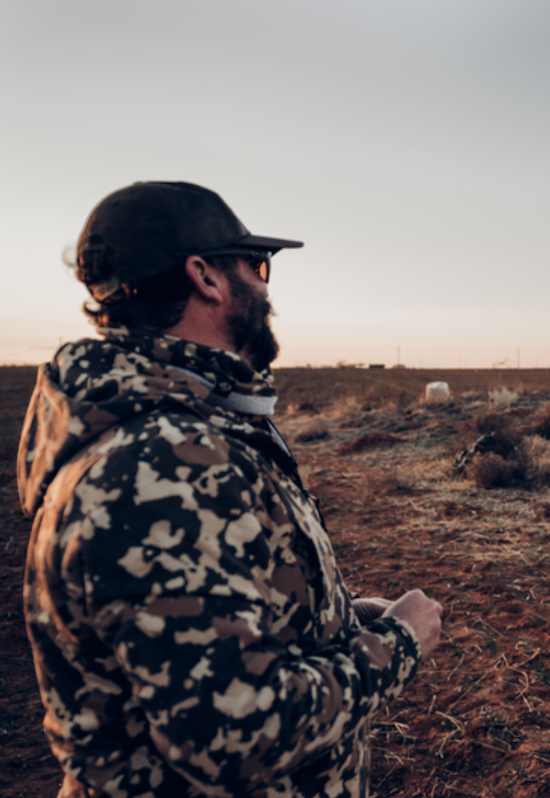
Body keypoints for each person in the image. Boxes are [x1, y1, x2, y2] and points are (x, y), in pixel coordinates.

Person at [19, 181, 443, 798]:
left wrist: (336, 621)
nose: (267, 288)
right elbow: (232, 733)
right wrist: (396, 642)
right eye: (259, 266)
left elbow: (204, 621)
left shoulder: (192, 431)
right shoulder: (159, 468)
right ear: (207, 279)